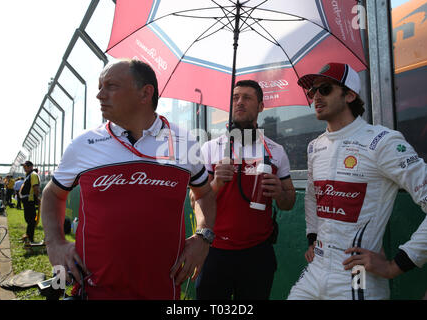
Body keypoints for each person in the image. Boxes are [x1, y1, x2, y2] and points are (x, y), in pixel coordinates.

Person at [40, 59, 216, 300]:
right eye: (100, 86)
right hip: (94, 292)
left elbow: (204, 194)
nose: (100, 95)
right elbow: (52, 194)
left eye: (111, 86)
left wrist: (203, 237)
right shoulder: (84, 144)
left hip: (163, 292)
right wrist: (55, 243)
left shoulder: (184, 143)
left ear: (145, 93)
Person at [287, 62, 427, 300]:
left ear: (349, 95)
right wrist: (313, 238)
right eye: (312, 91)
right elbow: (314, 198)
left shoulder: (382, 142)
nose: (315, 97)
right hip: (316, 269)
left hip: (356, 275)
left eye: (324, 89)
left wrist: (396, 265)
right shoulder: (315, 146)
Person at [195, 80, 296, 300]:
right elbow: (196, 201)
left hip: (258, 254)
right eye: (235, 97)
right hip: (214, 251)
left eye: (247, 97)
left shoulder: (276, 151)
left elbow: (288, 203)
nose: (239, 102)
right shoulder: (211, 148)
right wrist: (217, 182)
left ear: (261, 107)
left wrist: (280, 192)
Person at [20, 161, 40, 243]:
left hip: (30, 201)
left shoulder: (33, 175)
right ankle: (27, 236)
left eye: (26, 166)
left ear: (30, 166)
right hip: (27, 201)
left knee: (31, 220)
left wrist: (38, 198)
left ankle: (30, 239)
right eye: (24, 166)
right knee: (29, 220)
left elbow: (35, 188)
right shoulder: (28, 175)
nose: (24, 168)